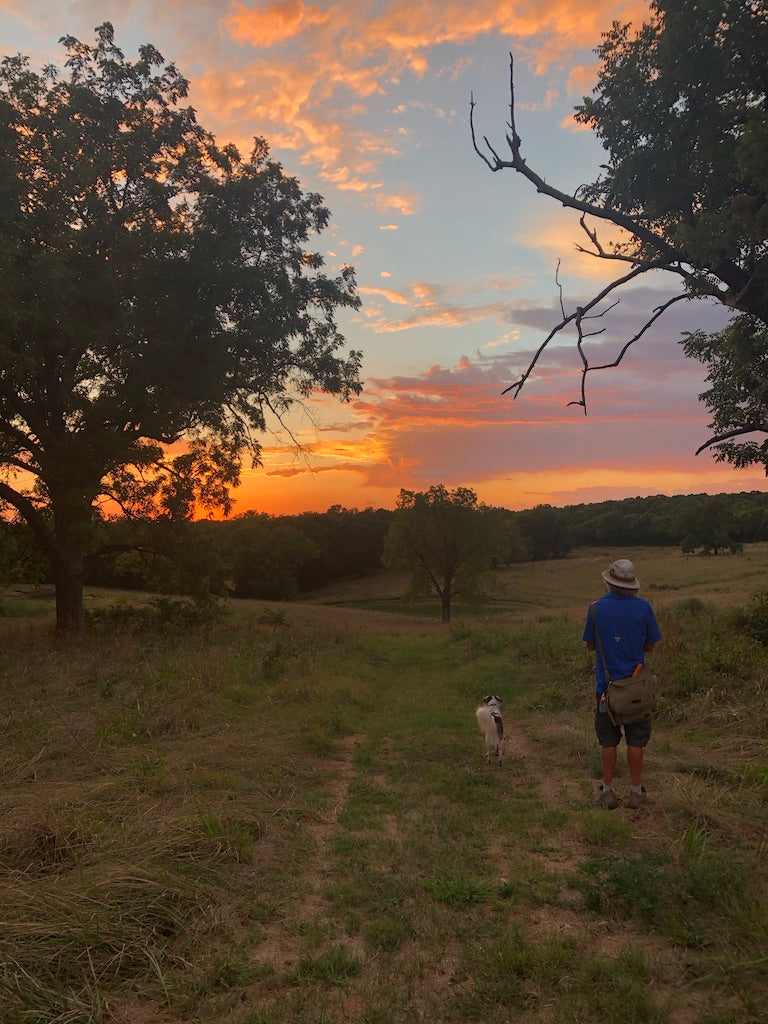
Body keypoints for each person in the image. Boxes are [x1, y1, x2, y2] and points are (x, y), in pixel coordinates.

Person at [582, 558, 662, 810]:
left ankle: (607, 792)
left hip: (606, 690)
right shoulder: (644, 608)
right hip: (638, 689)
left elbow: (590, 644)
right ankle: (636, 793)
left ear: (609, 582)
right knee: (636, 741)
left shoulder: (595, 609)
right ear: (632, 585)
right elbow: (650, 645)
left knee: (608, 742)